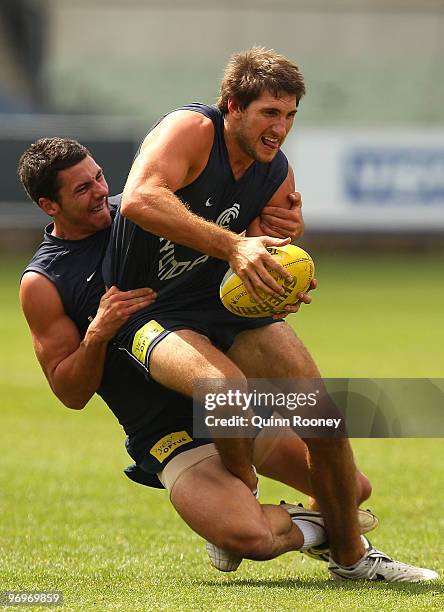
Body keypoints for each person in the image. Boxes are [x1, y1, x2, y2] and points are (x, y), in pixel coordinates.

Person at [102, 48, 438, 582]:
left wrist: (283, 270)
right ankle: (246, 494)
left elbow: (270, 246)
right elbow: (141, 198)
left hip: (223, 309)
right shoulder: (191, 130)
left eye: (290, 116)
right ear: (233, 106)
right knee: (229, 396)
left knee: (324, 423)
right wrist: (237, 246)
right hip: (150, 314)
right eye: (269, 114)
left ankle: (353, 561)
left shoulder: (275, 170)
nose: (280, 128)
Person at [18, 137, 382, 577]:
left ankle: (329, 520)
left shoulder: (146, 212)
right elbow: (70, 392)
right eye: (81, 189)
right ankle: (324, 531)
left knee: (350, 488)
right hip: (168, 429)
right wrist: (97, 333)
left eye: (98, 177)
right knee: (251, 539)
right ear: (48, 205)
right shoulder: (45, 280)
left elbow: (232, 240)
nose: (100, 191)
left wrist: (278, 241)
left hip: (236, 407)